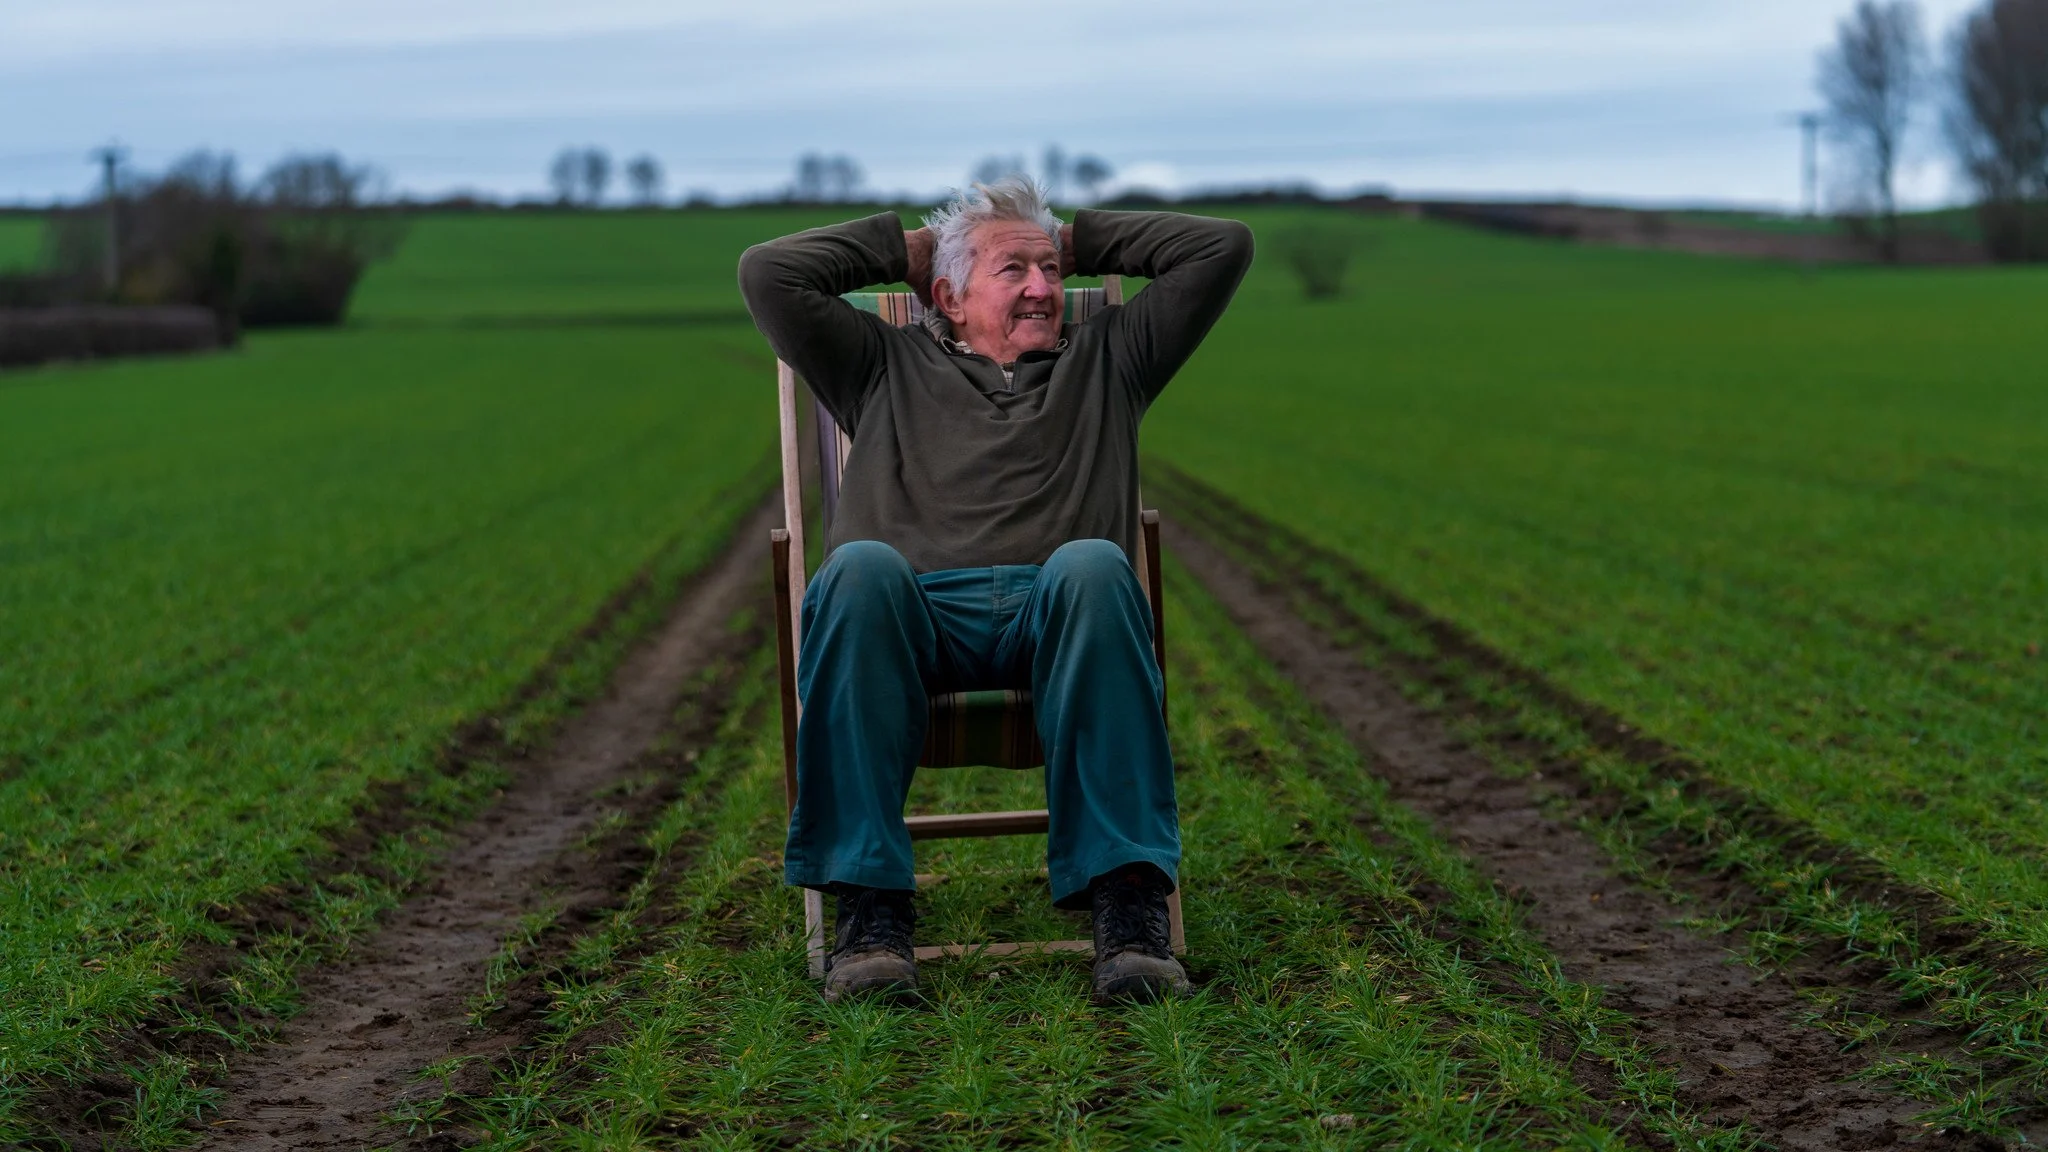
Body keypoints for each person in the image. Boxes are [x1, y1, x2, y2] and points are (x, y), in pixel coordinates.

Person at [738, 177, 1252, 1003]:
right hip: (914, 616)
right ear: (946, 294)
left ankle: (1128, 915)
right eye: (1014, 271)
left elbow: (1221, 246)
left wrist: (1072, 240)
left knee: (1093, 564)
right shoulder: (876, 363)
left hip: (1059, 617)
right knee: (859, 569)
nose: (1043, 290)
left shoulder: (1114, 355)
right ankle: (871, 915)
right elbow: (768, 272)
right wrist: (907, 246)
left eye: (1051, 272)